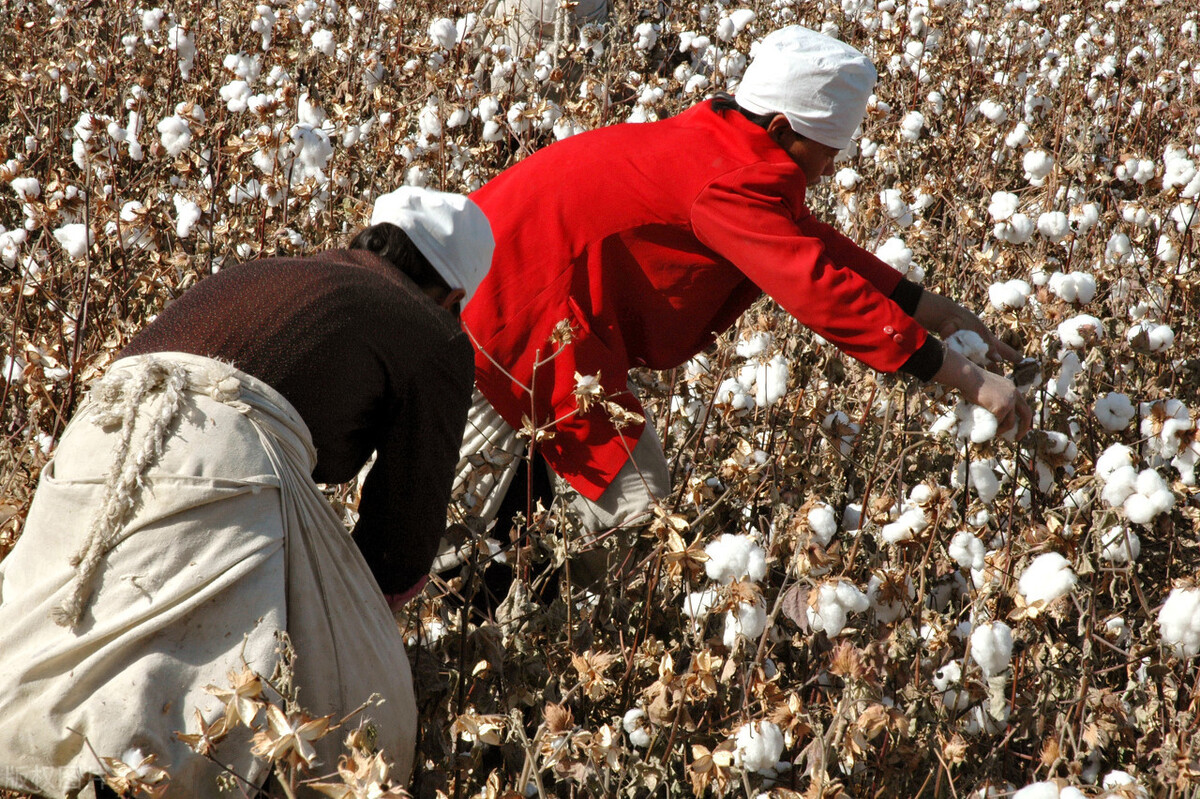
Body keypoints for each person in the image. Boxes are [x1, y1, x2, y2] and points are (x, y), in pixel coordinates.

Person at [452, 26, 1032, 550]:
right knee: (637, 510)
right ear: (782, 129)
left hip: (499, 294)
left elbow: (810, 242)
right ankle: (547, 636)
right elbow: (816, 286)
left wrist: (936, 311)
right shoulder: (727, 181)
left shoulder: (720, 140)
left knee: (518, 508)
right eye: (828, 153)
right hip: (510, 321)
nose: (830, 169)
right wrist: (971, 381)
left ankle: (521, 597)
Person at [0, 187, 492, 797]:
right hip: (220, 456)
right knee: (317, 728)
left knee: (56, 655)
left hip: (92, 434)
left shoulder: (269, 272)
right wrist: (354, 626)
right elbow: (401, 540)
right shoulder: (434, 334)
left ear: (372, 238)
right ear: (454, 297)